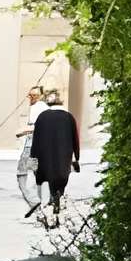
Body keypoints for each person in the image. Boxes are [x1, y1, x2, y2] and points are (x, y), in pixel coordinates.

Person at [28, 88, 81, 226]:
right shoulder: (69, 117)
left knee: (47, 181)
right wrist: (77, 157)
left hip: (45, 159)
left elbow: (35, 141)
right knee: (60, 182)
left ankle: (49, 205)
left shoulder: (42, 117)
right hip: (63, 158)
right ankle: (58, 199)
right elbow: (75, 139)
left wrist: (33, 161)